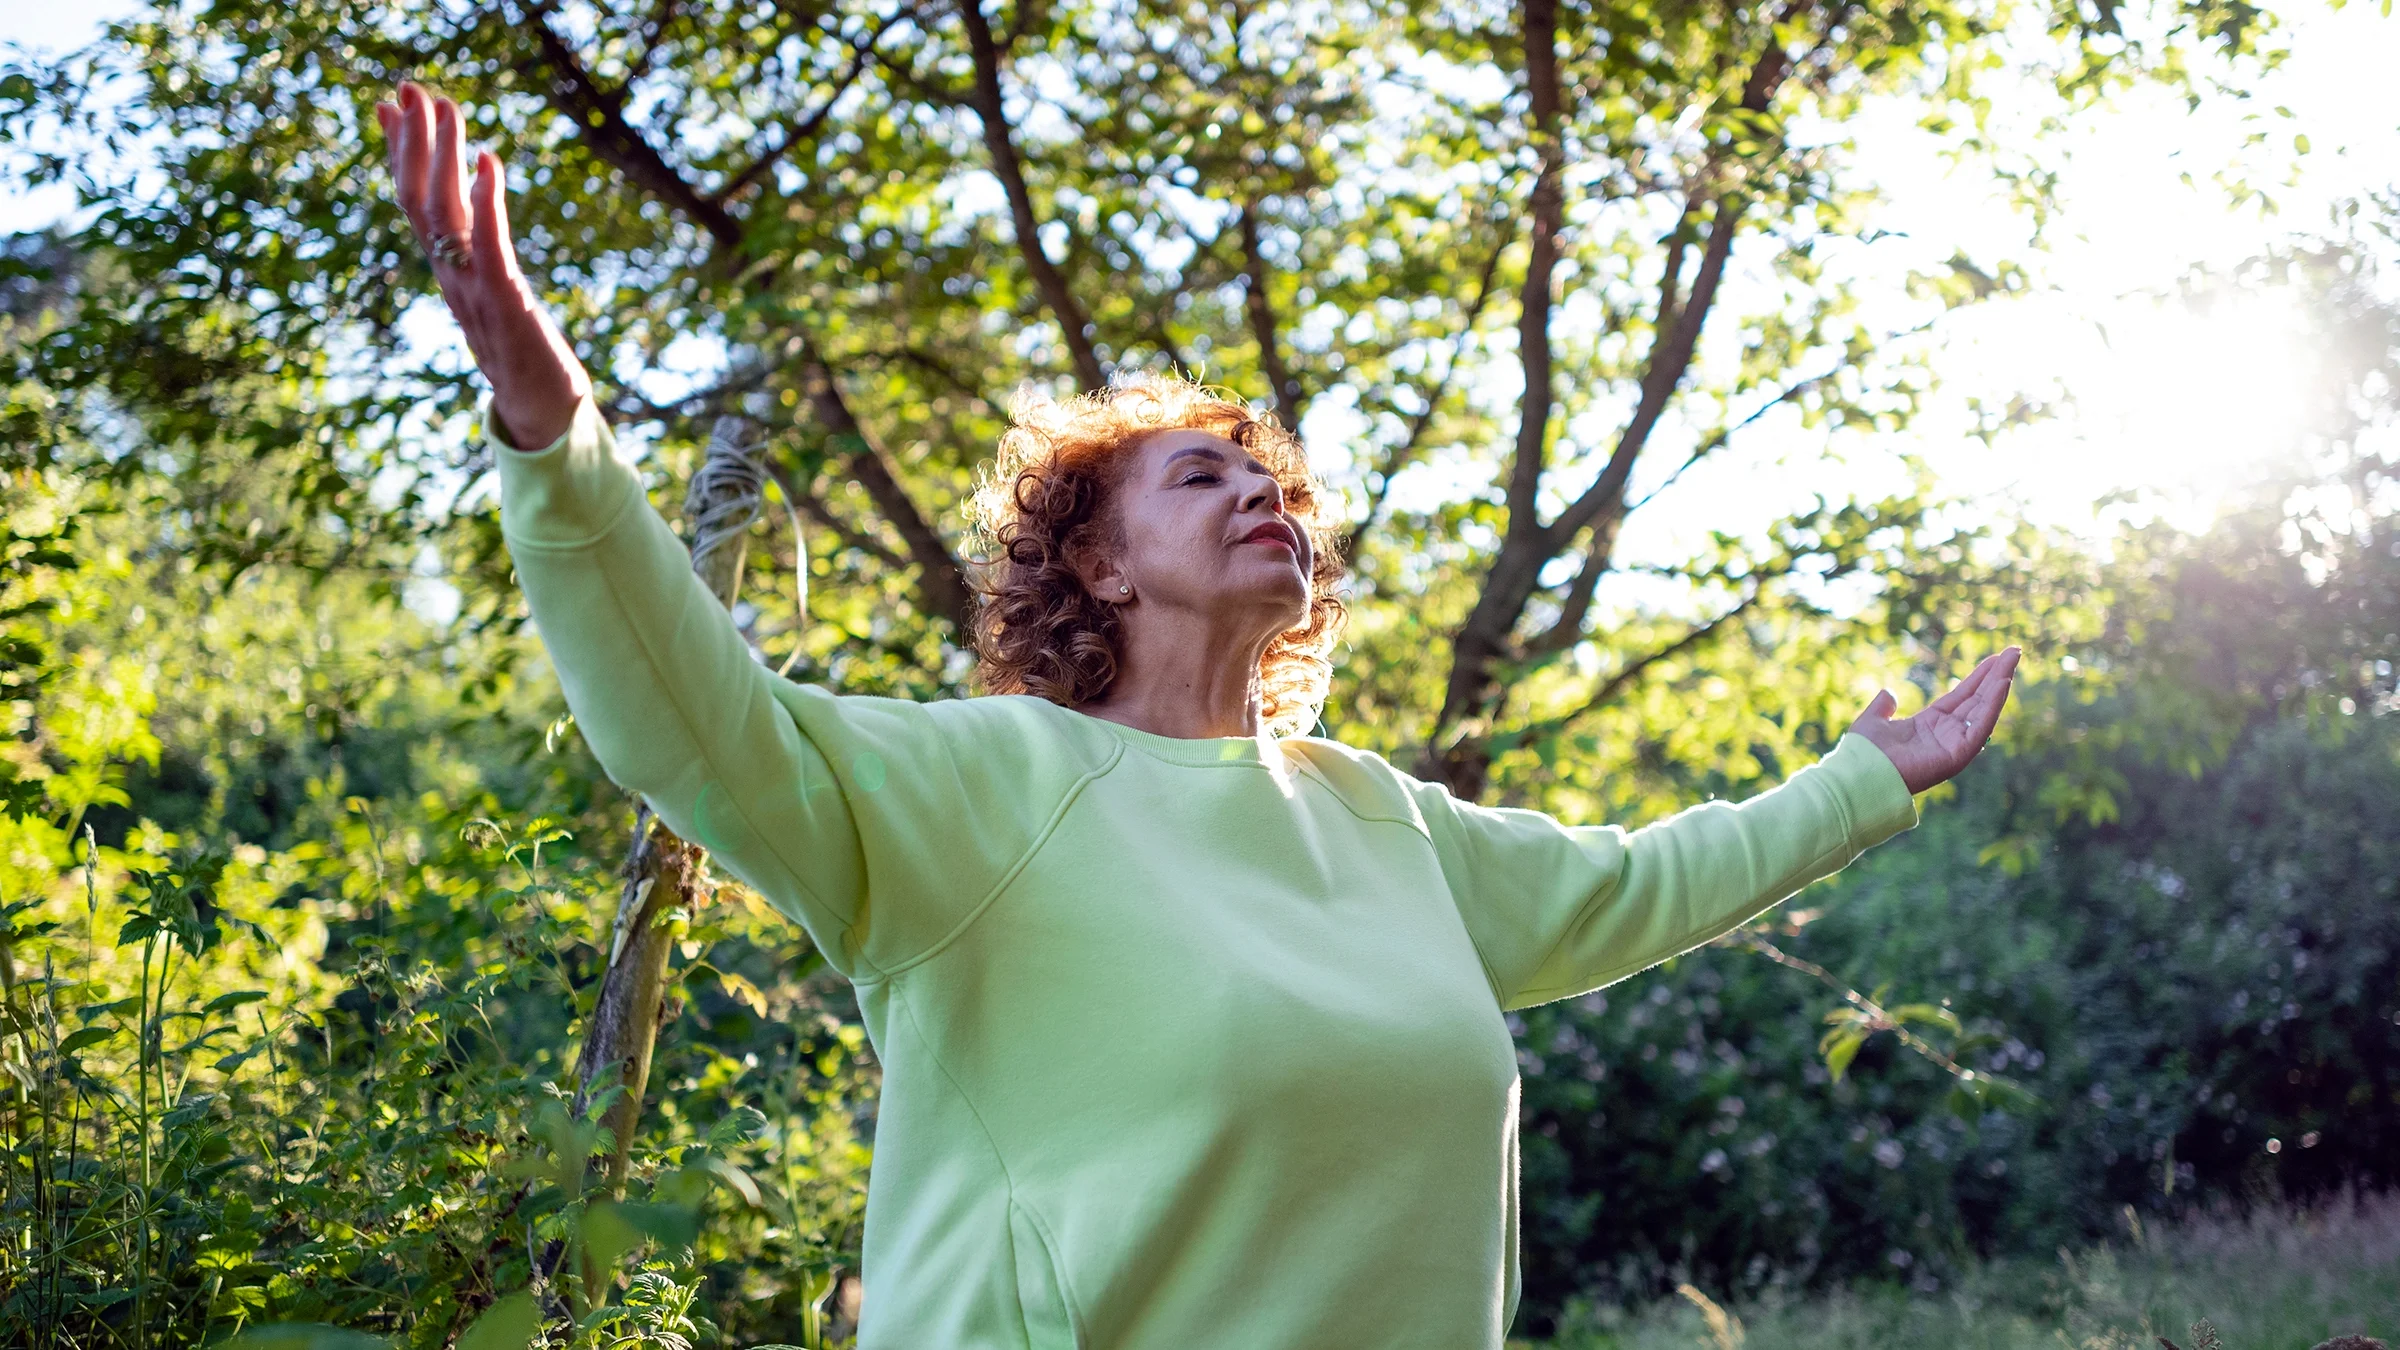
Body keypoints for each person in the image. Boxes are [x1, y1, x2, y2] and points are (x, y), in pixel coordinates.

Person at [378, 82, 2019, 1350]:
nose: (1261, 495)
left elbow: (1641, 885)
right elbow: (690, 712)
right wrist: (547, 412)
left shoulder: (1382, 820)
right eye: (1203, 472)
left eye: (1274, 481)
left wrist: (1863, 779)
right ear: (1094, 560)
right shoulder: (981, 789)